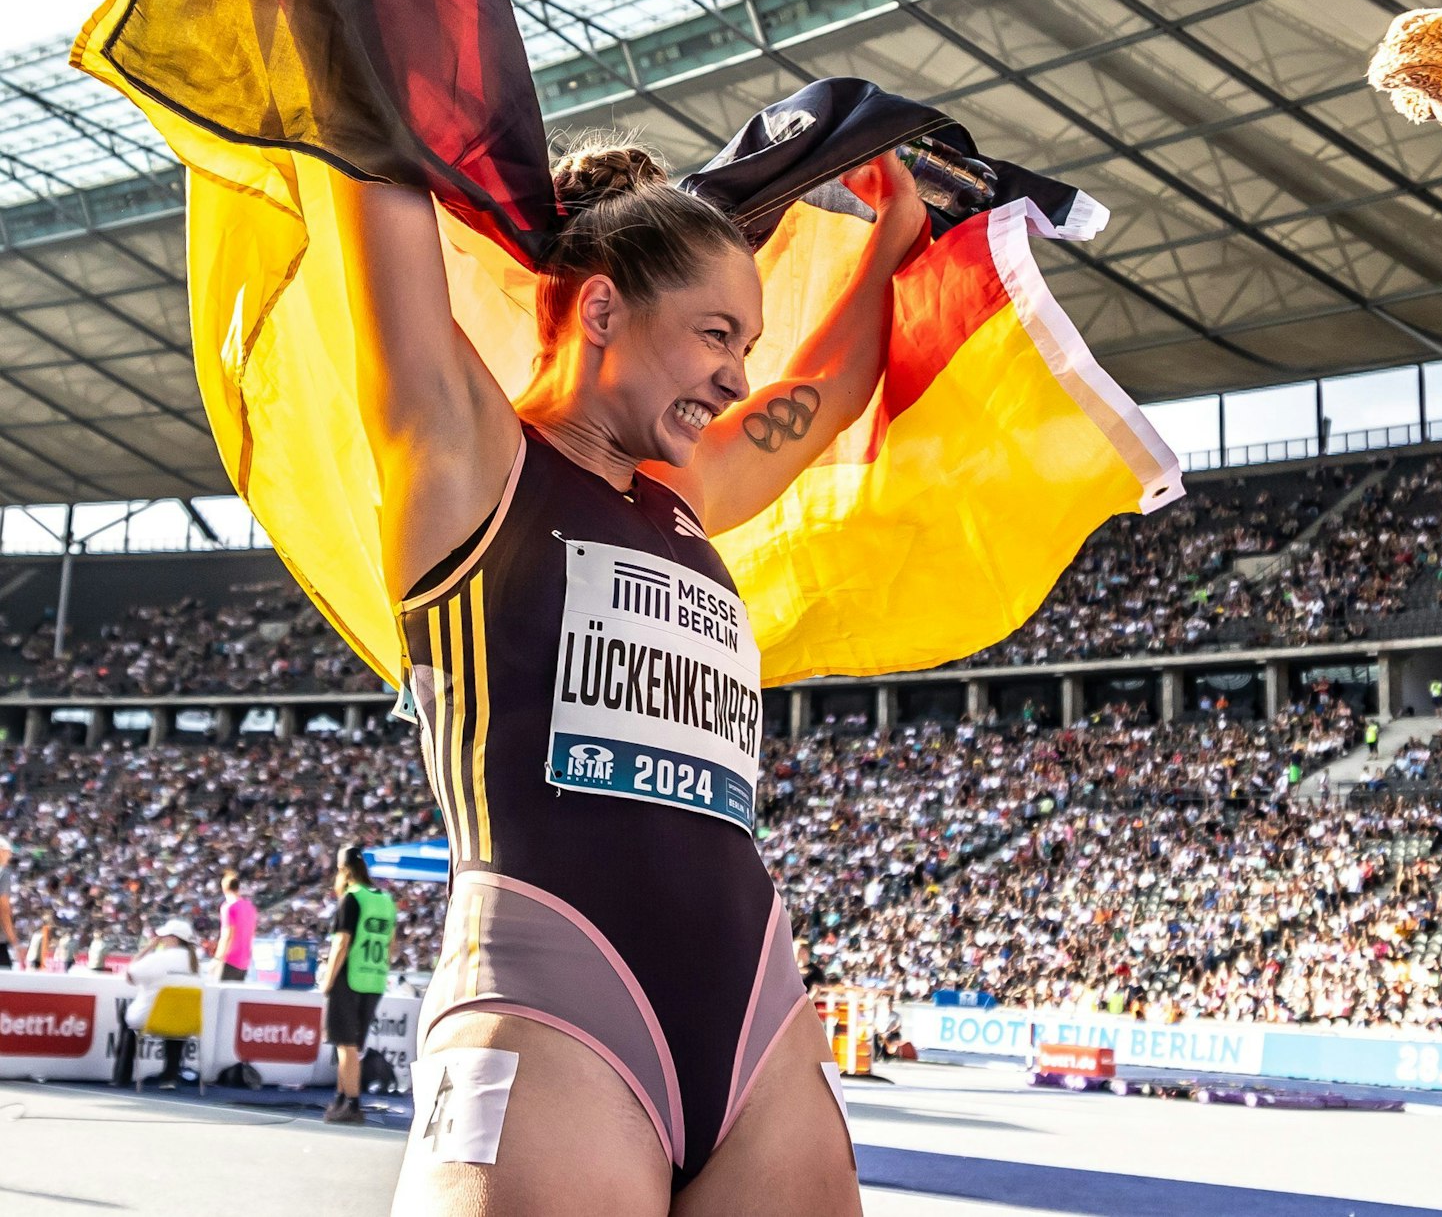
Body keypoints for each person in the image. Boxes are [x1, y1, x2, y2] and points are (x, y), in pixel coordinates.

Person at [346, 138, 922, 1214]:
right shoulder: (468, 458)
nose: (740, 377)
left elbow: (831, 389)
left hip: (756, 1015)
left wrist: (892, 227)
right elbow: (367, 178)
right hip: (553, 1004)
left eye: (745, 343)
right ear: (602, 312)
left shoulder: (689, 489)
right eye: (716, 334)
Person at [320, 846, 396, 1125]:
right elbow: (391, 944)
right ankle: (341, 1098)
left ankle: (351, 1103)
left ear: (343, 870)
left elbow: (341, 943)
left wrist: (328, 980)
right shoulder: (386, 900)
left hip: (349, 977)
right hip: (374, 978)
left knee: (345, 1044)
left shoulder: (351, 898)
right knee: (351, 1045)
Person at [112, 919, 203, 1088]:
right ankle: (169, 1077)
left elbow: (130, 976)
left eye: (164, 937)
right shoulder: (196, 965)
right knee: (176, 1023)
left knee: (127, 1018)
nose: (161, 939)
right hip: (185, 1022)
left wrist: (148, 947)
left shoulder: (158, 958)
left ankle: (121, 1076)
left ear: (173, 939)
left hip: (150, 1018)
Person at [215, 870, 257, 983]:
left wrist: (217, 958)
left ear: (224, 888)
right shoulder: (250, 907)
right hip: (244, 961)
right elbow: (252, 933)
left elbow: (227, 935)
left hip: (229, 959)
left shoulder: (228, 907)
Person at [0, 839, 16, 969]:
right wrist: (14, 940)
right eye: (8, 852)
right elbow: (3, 908)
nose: (9, 856)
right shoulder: (3, 873)